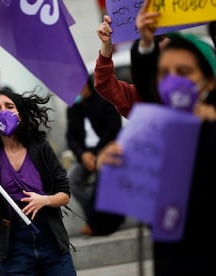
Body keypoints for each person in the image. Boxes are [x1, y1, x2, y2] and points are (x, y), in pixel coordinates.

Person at [93, 12, 216, 275]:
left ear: (209, 80)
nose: (173, 81)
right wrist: (108, 173)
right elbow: (103, 222)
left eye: (183, 71)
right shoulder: (147, 142)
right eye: (163, 72)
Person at [0, 88, 77, 275]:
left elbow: (65, 195)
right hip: (14, 246)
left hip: (51, 240)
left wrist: (44, 200)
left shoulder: (40, 148)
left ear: (20, 115)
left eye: (9, 106)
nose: (4, 111)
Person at [65, 77, 122, 236]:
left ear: (86, 86)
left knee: (104, 177)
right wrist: (83, 155)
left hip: (106, 150)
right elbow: (71, 138)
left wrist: (97, 154)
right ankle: (94, 219)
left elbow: (113, 130)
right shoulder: (72, 108)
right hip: (85, 155)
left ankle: (101, 223)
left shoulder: (104, 100)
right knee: (73, 180)